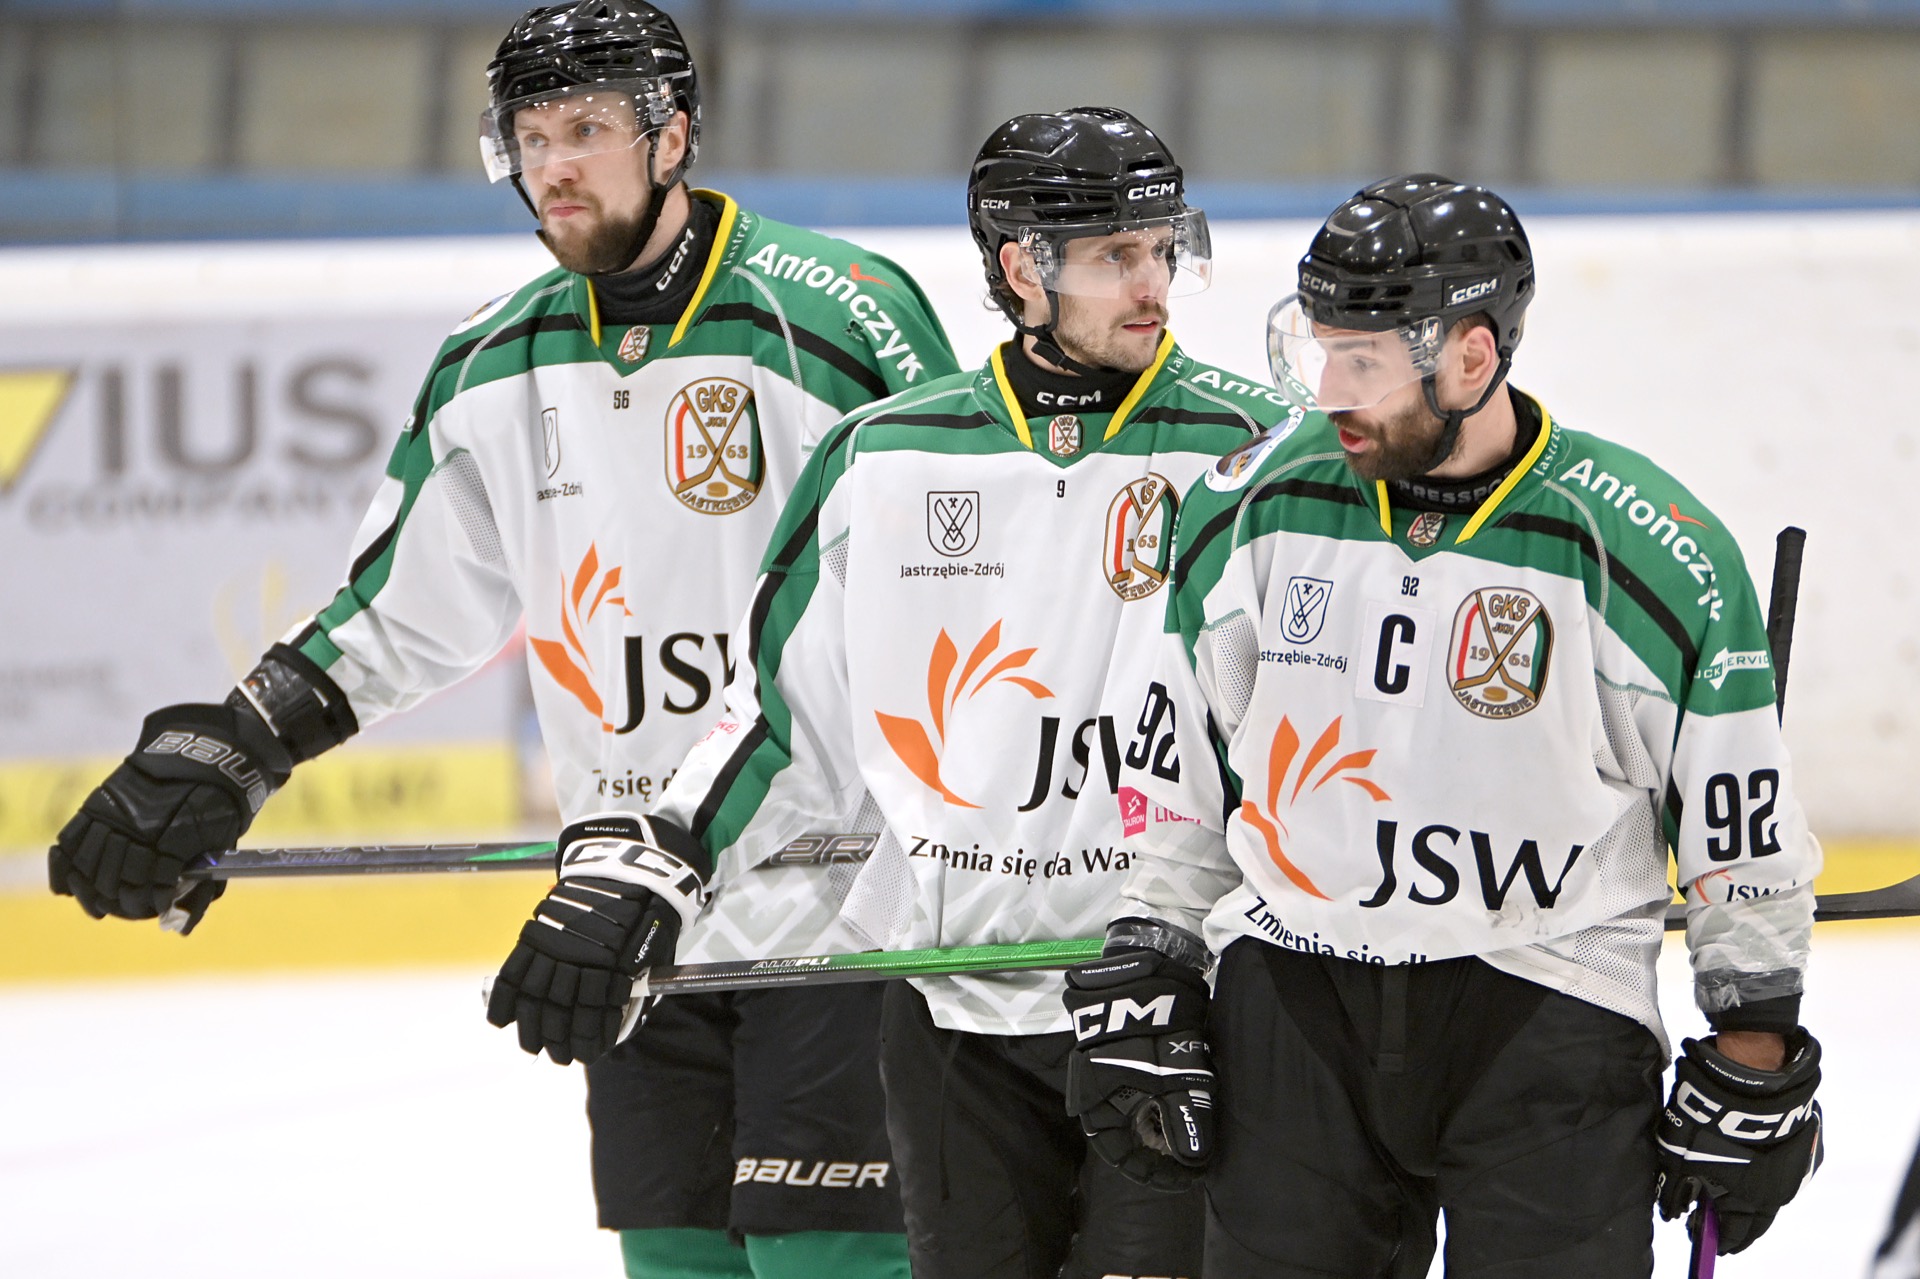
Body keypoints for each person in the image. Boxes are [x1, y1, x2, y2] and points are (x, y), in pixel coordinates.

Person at [47, 4, 957, 1277]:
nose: (553, 167)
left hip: (841, 899)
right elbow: (404, 605)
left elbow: (934, 597)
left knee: (824, 1261)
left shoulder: (838, 313)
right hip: (622, 910)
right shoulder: (491, 358)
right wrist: (242, 743)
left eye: (586, 130)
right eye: (530, 139)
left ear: (673, 137)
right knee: (676, 1258)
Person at [485, 105, 1302, 1279]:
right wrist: (652, 863)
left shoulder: (1258, 452)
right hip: (954, 1019)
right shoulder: (882, 455)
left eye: (1164, 248)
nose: (1153, 284)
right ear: (1022, 269)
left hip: (1177, 1006)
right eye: (1117, 254)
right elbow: (782, 718)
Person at [1090, 174, 1826, 1276]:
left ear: (1472, 359)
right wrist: (1152, 955)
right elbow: (1181, 771)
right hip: (1295, 998)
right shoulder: (1247, 510)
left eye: (1364, 363)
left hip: (1548, 1001)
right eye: (1320, 351)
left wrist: (1753, 1043)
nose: (1328, 392)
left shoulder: (1644, 551)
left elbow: (1741, 824)